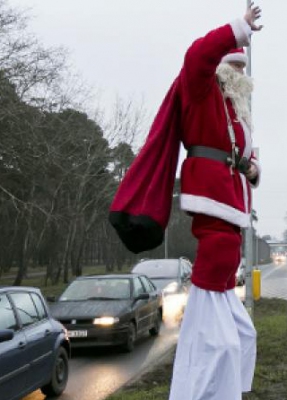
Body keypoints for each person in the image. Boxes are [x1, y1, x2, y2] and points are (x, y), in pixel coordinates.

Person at [108, 3, 264, 399]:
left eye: (245, 68)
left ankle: (226, 389)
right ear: (223, 67)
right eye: (237, 67)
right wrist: (238, 28)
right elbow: (197, 54)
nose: (242, 75)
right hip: (211, 202)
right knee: (220, 342)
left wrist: (253, 171)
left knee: (239, 335)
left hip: (232, 206)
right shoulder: (201, 87)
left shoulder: (237, 109)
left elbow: (247, 155)